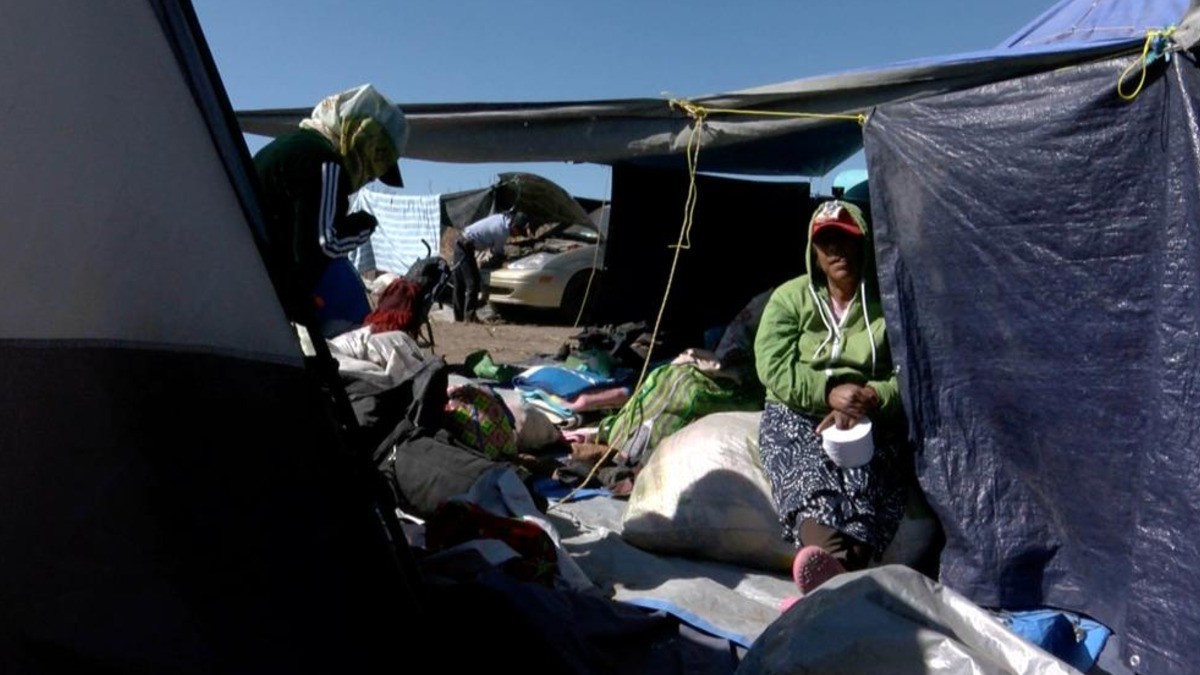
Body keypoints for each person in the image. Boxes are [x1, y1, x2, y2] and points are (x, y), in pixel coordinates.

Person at [753, 199, 912, 599]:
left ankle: (828, 585)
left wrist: (871, 395)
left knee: (867, 482)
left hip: (866, 413)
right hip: (797, 411)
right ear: (814, 252)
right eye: (827, 243)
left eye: (846, 240)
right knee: (808, 472)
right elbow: (773, 366)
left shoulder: (887, 302)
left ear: (864, 243)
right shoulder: (791, 298)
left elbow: (911, 372)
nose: (837, 251)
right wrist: (827, 393)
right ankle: (834, 572)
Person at [253, 83, 408, 323]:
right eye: (375, 159)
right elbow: (325, 245)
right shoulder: (325, 161)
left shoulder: (294, 145)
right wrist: (364, 224)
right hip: (267, 287)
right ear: (362, 139)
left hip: (248, 270)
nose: (370, 175)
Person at [451, 210, 527, 322]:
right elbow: (498, 252)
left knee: (459, 284)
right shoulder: (502, 231)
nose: (516, 236)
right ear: (514, 226)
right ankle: (470, 317)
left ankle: (459, 318)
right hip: (465, 247)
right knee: (473, 282)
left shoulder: (501, 218)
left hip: (461, 242)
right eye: (518, 232)